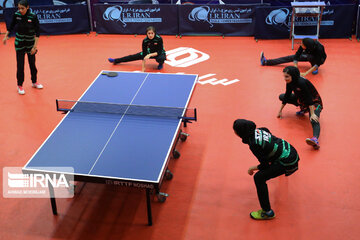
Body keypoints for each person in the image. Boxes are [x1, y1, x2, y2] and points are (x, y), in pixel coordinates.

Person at [233, 119, 299, 220]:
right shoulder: (259, 130)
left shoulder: (254, 144)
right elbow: (268, 133)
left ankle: (267, 212)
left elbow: (264, 165)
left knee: (258, 178)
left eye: (235, 131)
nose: (235, 133)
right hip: (291, 150)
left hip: (288, 161)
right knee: (266, 170)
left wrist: (252, 169)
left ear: (241, 133)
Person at [2, 0, 43, 95]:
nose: (20, 10)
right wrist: (6, 36)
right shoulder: (17, 15)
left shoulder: (33, 16)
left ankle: (34, 82)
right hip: (19, 43)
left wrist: (34, 47)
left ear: (27, 7)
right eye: (19, 8)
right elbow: (11, 26)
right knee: (20, 66)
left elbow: (37, 32)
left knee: (32, 64)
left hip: (30, 44)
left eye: (22, 8)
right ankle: (19, 85)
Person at [278, 66, 323, 149]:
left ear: (293, 75)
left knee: (313, 119)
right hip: (302, 100)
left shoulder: (301, 82)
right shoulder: (289, 82)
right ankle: (303, 109)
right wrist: (280, 110)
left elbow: (310, 99)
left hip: (314, 102)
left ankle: (315, 139)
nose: (285, 78)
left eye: (287, 76)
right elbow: (287, 95)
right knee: (282, 96)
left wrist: (312, 113)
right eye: (284, 76)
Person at [260, 38, 327, 76]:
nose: (300, 44)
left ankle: (315, 69)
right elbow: (296, 56)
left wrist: (305, 73)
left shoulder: (319, 49)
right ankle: (266, 62)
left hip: (319, 59)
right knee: (290, 57)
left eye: (302, 44)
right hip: (308, 54)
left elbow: (317, 64)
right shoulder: (305, 44)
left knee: (310, 58)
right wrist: (295, 68)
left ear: (307, 46)